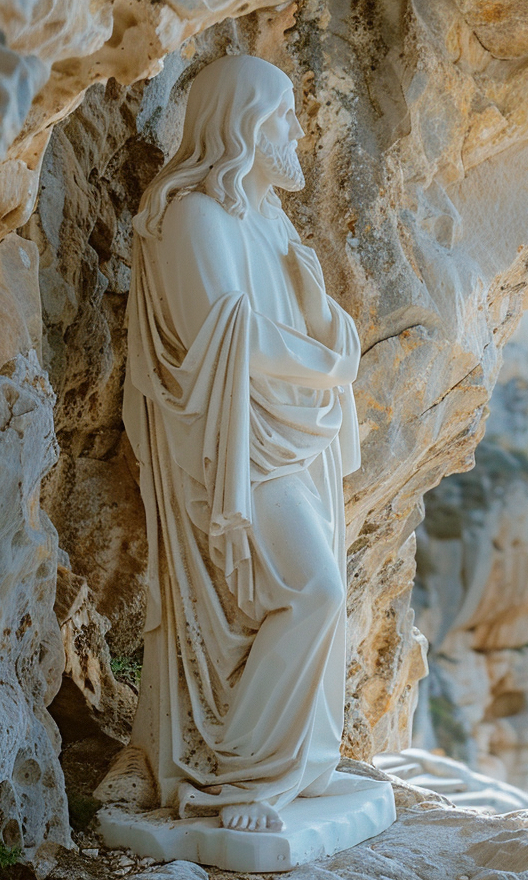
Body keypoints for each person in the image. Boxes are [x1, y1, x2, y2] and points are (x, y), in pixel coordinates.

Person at [97, 54, 363, 834]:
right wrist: (329, 362)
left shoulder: (267, 220)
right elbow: (222, 329)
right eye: (284, 114)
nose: (298, 130)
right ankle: (238, 777)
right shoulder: (192, 216)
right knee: (312, 593)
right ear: (244, 123)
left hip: (289, 436)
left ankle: (285, 761)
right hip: (232, 444)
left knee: (313, 598)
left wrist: (322, 315)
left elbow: (300, 317)